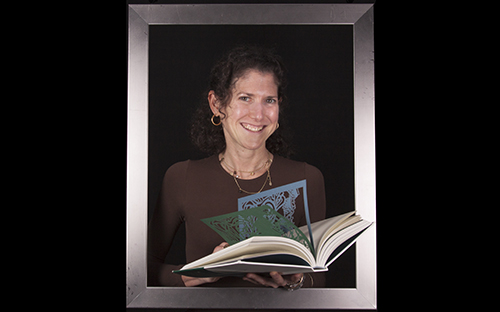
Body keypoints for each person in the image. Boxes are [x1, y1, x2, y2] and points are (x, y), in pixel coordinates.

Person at [148, 45, 326, 289]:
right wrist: (195, 274)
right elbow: (141, 270)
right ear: (217, 104)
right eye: (245, 98)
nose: (258, 114)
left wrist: (298, 279)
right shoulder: (182, 178)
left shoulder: (307, 178)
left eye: (269, 101)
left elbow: (321, 277)